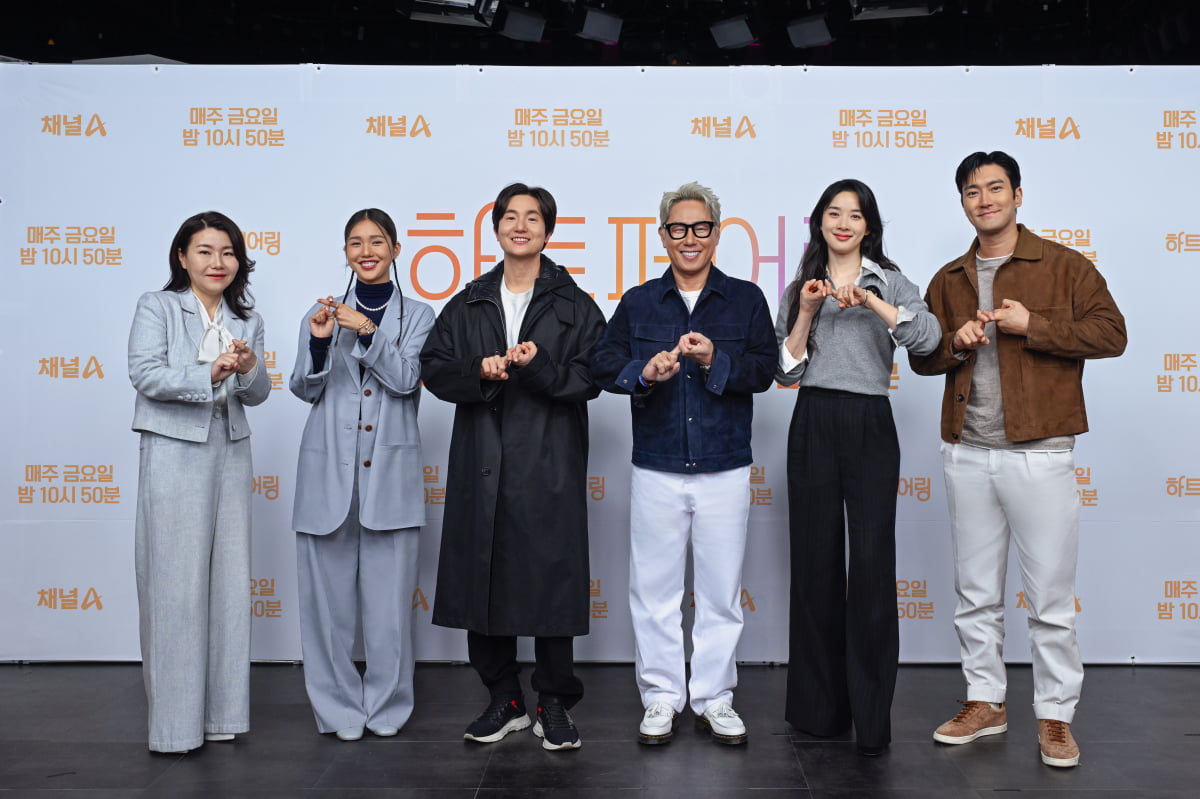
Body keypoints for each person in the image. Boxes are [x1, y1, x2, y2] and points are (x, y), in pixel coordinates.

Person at [909, 151, 1126, 768]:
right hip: (967, 450)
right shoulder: (949, 278)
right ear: (963, 202)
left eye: (995, 188)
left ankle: (1055, 715)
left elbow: (1112, 334)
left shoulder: (1063, 265)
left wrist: (1035, 324)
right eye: (972, 191)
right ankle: (986, 701)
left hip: (1040, 451)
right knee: (975, 593)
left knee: (1050, 599)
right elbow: (923, 358)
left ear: (1018, 195)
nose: (985, 200)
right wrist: (954, 344)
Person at [419, 182, 606, 751]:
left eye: (532, 218)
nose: (520, 226)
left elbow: (593, 376)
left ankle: (554, 702)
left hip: (549, 462)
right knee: (484, 578)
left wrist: (539, 367)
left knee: (552, 582)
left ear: (548, 230)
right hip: (482, 460)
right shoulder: (470, 300)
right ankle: (505, 698)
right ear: (496, 227)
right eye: (510, 217)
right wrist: (479, 370)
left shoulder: (574, 304)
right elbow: (434, 367)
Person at [591, 181, 776, 746]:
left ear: (717, 234)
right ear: (663, 235)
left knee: (721, 592)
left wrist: (717, 359)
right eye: (678, 228)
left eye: (700, 228)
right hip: (657, 465)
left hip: (725, 466)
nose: (689, 238)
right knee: (655, 591)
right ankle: (662, 696)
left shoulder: (745, 299)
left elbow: (764, 370)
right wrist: (644, 374)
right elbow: (603, 362)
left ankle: (715, 697)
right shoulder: (639, 301)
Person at [776, 179, 941, 756]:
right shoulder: (802, 286)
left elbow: (928, 338)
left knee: (871, 566)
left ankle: (872, 719)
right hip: (813, 418)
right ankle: (819, 712)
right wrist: (806, 312)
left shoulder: (890, 280)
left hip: (870, 420)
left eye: (855, 214)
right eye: (833, 213)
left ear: (869, 226)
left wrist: (871, 300)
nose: (843, 223)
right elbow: (785, 370)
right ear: (819, 221)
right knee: (815, 565)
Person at [127, 211, 270, 753]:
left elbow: (258, 395)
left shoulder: (246, 319)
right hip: (174, 450)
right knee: (175, 588)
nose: (218, 262)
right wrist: (206, 374)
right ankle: (174, 729)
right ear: (182, 257)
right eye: (206, 251)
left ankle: (221, 715)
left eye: (228, 252)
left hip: (231, 450)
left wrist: (248, 367)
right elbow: (144, 373)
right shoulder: (158, 306)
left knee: (230, 588)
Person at [290, 208, 435, 742]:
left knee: (390, 610)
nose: (366, 251)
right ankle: (337, 710)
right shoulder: (321, 312)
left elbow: (407, 381)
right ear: (345, 252)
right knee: (325, 611)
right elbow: (303, 388)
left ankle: (387, 706)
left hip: (389, 477)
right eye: (356, 242)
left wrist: (368, 331)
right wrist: (320, 341)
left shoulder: (419, 315)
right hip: (327, 473)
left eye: (377, 242)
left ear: (396, 249)